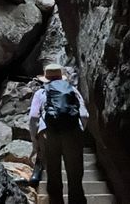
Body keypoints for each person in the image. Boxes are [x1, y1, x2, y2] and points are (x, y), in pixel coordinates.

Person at [29, 64, 89, 204]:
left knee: (53, 176)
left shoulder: (40, 92)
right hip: (72, 133)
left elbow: (33, 117)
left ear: (46, 78)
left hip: (49, 135)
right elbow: (85, 115)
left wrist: (35, 140)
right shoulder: (72, 90)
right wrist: (78, 130)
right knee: (75, 175)